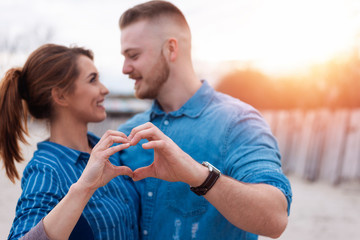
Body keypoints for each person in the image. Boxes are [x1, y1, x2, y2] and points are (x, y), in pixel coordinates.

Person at [117, 1, 292, 239]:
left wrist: (198, 175)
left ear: (171, 49)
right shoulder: (128, 132)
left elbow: (274, 219)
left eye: (133, 55)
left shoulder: (238, 122)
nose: (125, 68)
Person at [0, 44, 140, 239]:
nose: (105, 89)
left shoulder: (110, 151)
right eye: (93, 80)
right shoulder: (46, 170)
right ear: (61, 95)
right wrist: (84, 188)